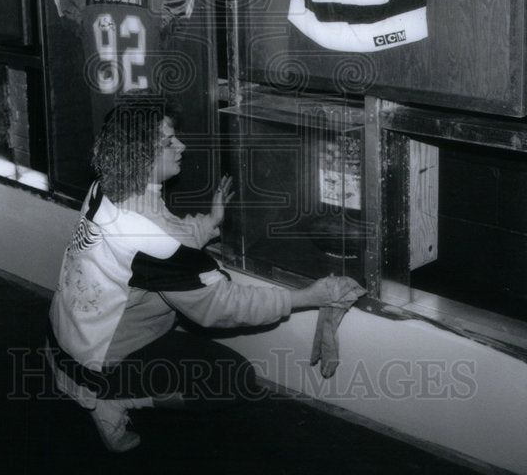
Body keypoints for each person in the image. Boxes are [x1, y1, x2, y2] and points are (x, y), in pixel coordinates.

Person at [45, 96, 365, 452]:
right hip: (96, 363)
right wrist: (308, 296)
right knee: (233, 379)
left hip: (63, 339)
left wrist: (208, 223)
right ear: (139, 154)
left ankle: (113, 388)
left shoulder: (105, 188)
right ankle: (115, 401)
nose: (180, 145)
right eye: (168, 142)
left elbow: (161, 238)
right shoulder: (149, 236)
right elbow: (220, 306)